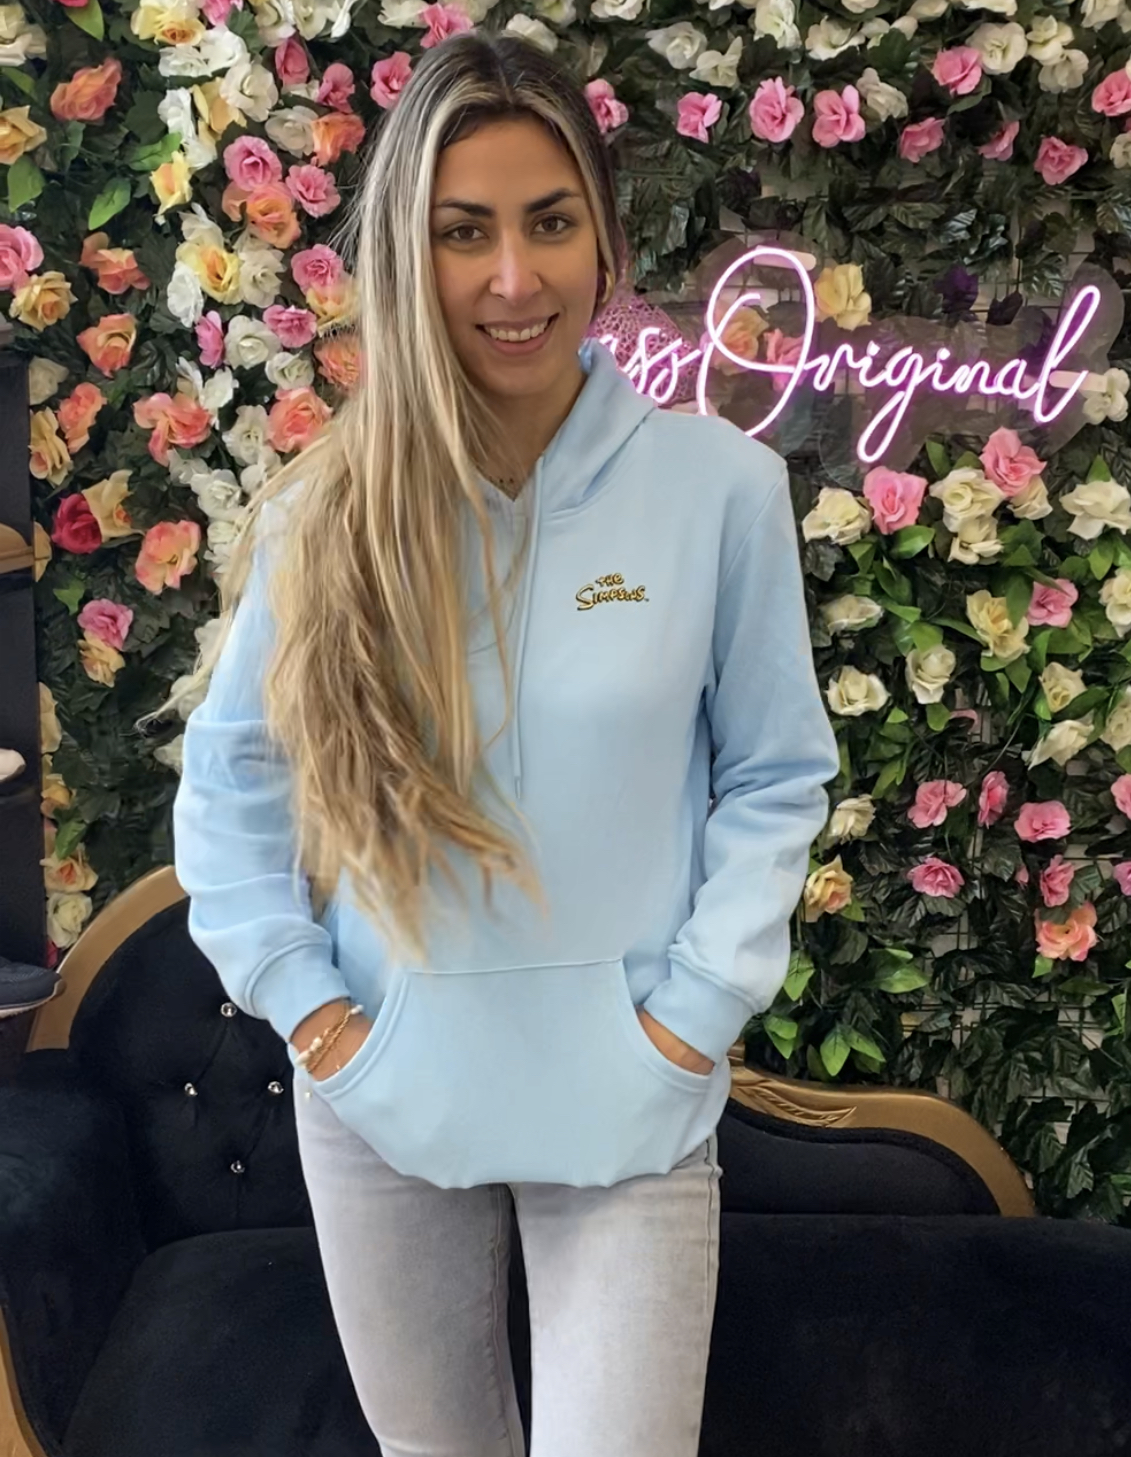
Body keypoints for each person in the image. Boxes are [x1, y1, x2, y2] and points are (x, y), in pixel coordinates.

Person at [165, 31, 839, 1457]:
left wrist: (692, 1014)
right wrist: (320, 1019)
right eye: (463, 232)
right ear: (405, 255)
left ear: (606, 240)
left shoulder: (719, 490)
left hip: (632, 1099)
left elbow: (775, 775)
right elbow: (233, 783)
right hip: (383, 1097)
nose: (514, 278)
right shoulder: (330, 511)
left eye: (550, 222)